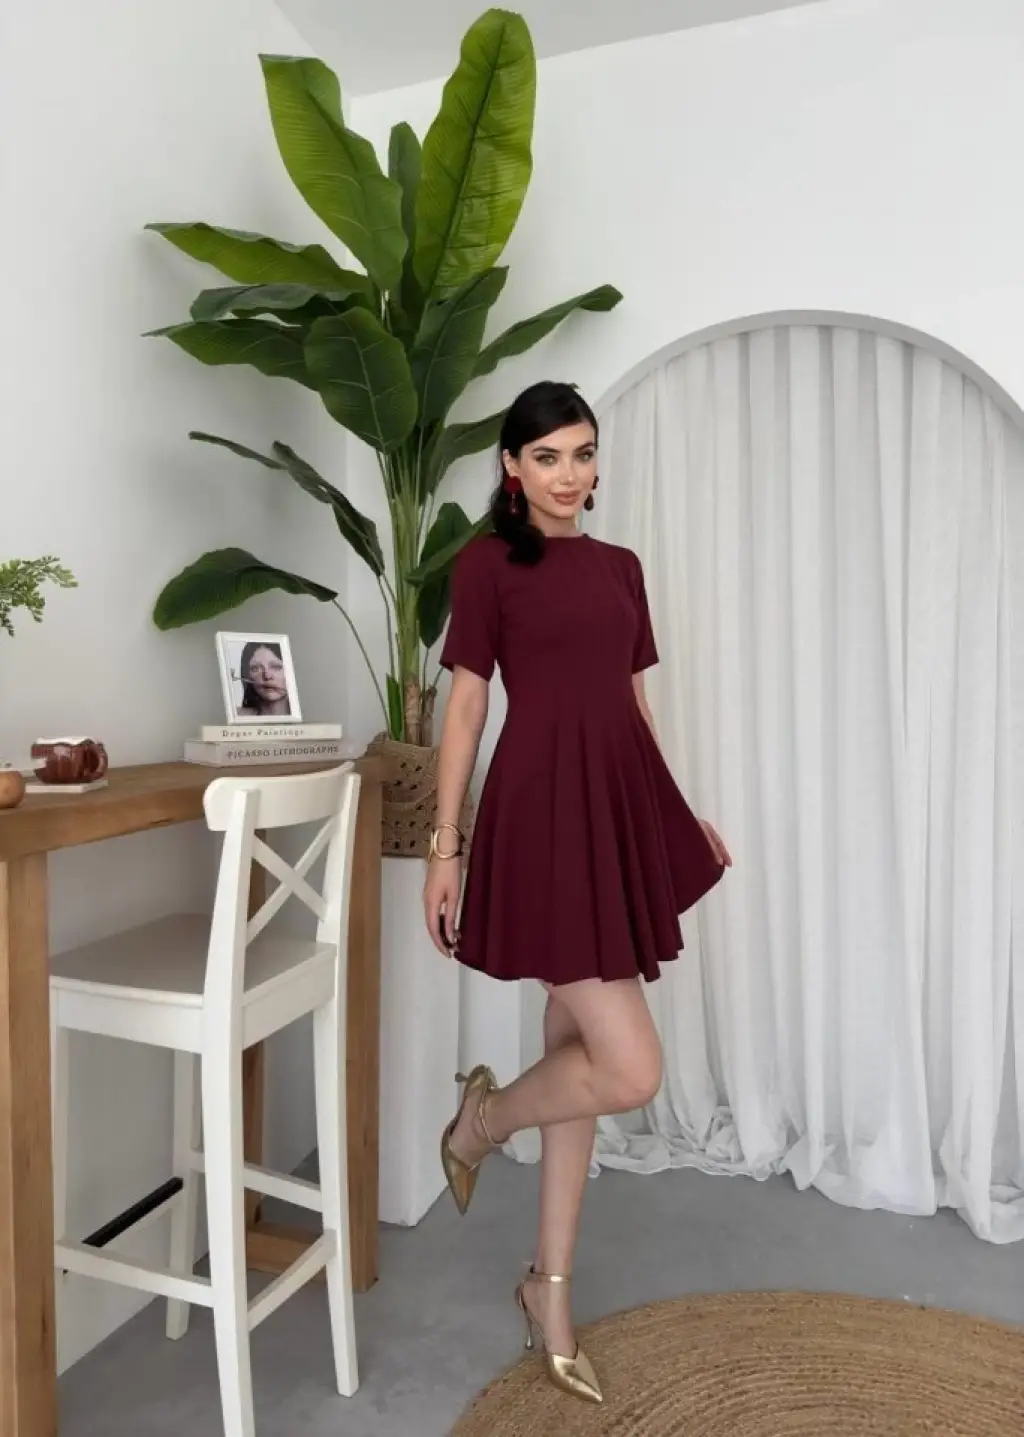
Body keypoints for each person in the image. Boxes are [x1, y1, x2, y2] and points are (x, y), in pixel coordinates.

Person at [423, 380, 733, 1405]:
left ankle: (546, 1291)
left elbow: (633, 710)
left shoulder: (621, 568)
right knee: (628, 1067)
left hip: (612, 812)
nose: (569, 474)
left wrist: (677, 818)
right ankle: (481, 1122)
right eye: (547, 455)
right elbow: (467, 707)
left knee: (583, 1060)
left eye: (583, 453)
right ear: (511, 467)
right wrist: (444, 845)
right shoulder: (486, 565)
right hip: (540, 813)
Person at [236, 640, 291, 717]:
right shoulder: (237, 716)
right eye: (255, 668)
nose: (267, 676)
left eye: (276, 667)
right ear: (247, 675)